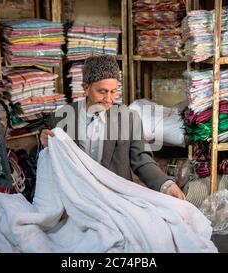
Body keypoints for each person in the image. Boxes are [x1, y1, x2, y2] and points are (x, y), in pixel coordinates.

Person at [40, 55, 185, 200]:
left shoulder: (129, 119)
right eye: (102, 92)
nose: (109, 99)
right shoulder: (60, 119)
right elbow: (50, 165)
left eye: (114, 91)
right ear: (86, 88)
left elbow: (141, 160)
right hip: (75, 198)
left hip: (117, 198)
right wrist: (45, 145)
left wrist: (165, 185)